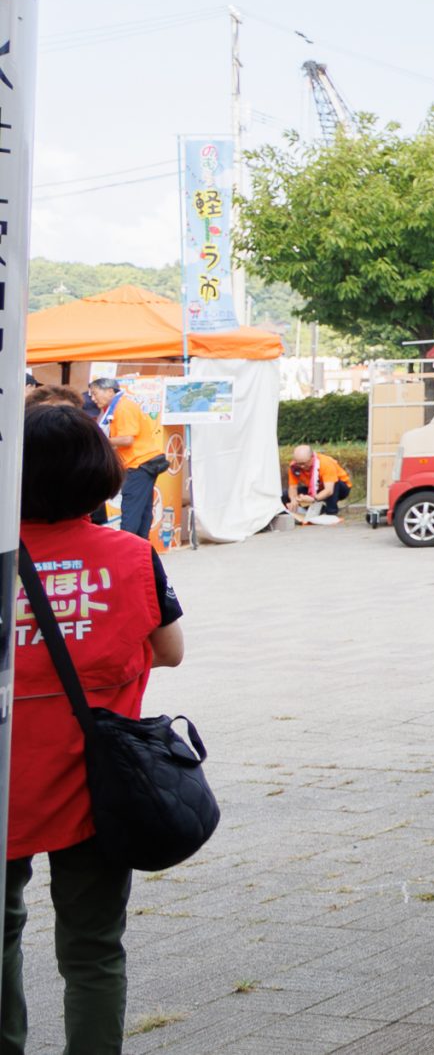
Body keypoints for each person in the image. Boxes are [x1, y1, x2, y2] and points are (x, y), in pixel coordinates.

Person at [5, 401, 186, 1054]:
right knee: (94, 950)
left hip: (5, 789)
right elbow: (169, 651)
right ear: (100, 470)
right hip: (98, 789)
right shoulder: (133, 556)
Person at [89, 373, 168, 541]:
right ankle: (142, 545)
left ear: (110, 391)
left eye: (95, 393)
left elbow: (127, 439)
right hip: (142, 462)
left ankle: (128, 545)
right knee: (143, 509)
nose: (93, 399)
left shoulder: (123, 407)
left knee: (131, 509)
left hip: (138, 463)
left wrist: (99, 441)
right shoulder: (121, 405)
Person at [283, 446, 352, 523]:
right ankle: (320, 511)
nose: (302, 466)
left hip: (338, 488)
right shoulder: (294, 467)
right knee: (284, 494)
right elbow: (292, 487)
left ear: (312, 457)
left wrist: (313, 499)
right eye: (299, 464)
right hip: (315, 489)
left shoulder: (325, 463)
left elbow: (329, 490)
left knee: (335, 483)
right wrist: (293, 500)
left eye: (304, 463)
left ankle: (331, 512)